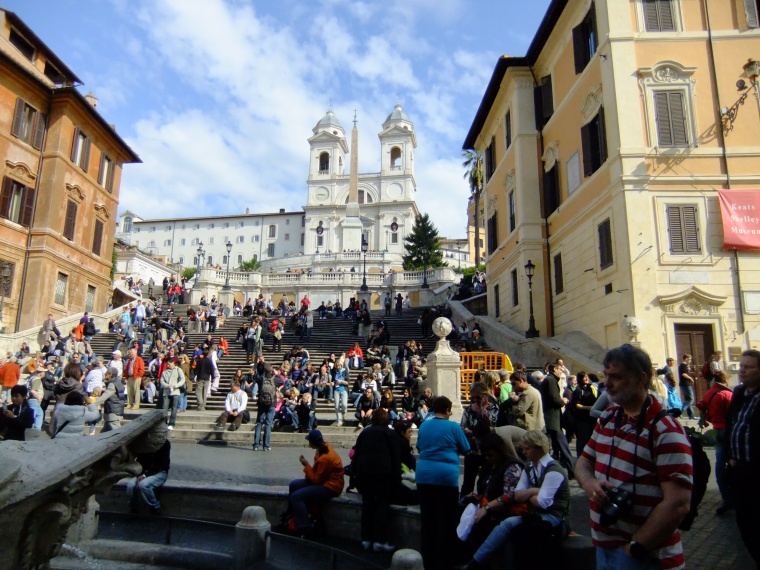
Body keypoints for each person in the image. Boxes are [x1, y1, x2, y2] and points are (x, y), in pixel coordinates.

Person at [575, 344, 693, 570]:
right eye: (606, 375)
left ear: (641, 379)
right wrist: (590, 483)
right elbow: (584, 461)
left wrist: (637, 546)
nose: (606, 383)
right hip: (604, 546)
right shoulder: (609, 417)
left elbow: (678, 504)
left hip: (644, 554)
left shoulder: (665, 430)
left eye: (616, 377)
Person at [463, 430, 570, 569]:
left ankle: (476, 563)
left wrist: (528, 492)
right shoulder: (529, 467)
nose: (524, 452)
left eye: (527, 448)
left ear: (539, 448)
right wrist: (535, 491)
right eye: (523, 448)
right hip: (535, 516)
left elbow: (542, 503)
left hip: (555, 518)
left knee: (514, 528)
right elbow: (517, 495)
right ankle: (476, 562)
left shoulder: (554, 470)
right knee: (507, 526)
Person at [415, 396, 470, 570]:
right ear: (448, 410)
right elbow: (465, 449)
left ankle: (428, 560)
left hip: (424, 476)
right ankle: (445, 560)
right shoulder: (453, 427)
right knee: (446, 521)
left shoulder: (425, 425)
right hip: (446, 478)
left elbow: (419, 446)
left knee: (428, 520)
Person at [725, 349, 760, 565]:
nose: (743, 371)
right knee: (744, 520)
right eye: (741, 366)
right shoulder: (739, 394)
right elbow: (732, 425)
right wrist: (730, 455)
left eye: (749, 367)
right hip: (739, 470)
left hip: (757, 470)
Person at [353, 408, 399, 552]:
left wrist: (354, 474)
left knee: (367, 504)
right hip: (383, 473)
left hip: (364, 472)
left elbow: (356, 453)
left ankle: (366, 538)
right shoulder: (390, 433)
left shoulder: (365, 432)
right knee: (382, 505)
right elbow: (395, 456)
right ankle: (380, 540)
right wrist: (396, 476)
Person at [288, 430, 345, 538]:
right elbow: (317, 473)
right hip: (323, 480)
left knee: (296, 497)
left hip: (331, 486)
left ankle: (304, 528)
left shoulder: (326, 457)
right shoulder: (322, 449)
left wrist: (306, 465)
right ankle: (293, 516)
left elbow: (316, 480)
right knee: (293, 485)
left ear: (313, 443)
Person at [460, 382, 498, 497]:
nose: (475, 400)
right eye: (473, 397)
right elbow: (462, 426)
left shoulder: (493, 408)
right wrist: (467, 431)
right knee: (468, 481)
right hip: (472, 450)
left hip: (487, 449)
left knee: (484, 480)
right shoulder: (468, 410)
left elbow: (491, 426)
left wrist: (483, 410)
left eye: (478, 397)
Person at [126, 439, 171, 515]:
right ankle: (134, 508)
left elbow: (161, 465)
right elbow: (140, 461)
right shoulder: (144, 443)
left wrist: (144, 475)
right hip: (144, 472)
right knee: (130, 485)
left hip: (159, 472)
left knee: (144, 485)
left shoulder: (164, 443)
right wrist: (140, 474)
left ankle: (155, 508)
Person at [570, 371, 599, 457]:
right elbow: (576, 405)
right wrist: (589, 407)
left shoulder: (590, 388)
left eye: (587, 377)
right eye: (584, 377)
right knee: (582, 441)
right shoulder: (579, 390)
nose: (586, 379)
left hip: (591, 419)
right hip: (582, 420)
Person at [253, 364, 278, 451]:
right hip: (271, 404)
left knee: (259, 423)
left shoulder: (261, 379)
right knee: (268, 424)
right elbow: (283, 381)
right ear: (271, 371)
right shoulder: (275, 379)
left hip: (261, 403)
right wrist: (276, 373)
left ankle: (256, 445)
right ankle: (266, 446)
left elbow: (255, 377)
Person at [94, 367, 126, 432]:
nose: (105, 374)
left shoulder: (112, 384)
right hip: (113, 412)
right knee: (103, 433)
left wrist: (93, 404)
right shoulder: (117, 382)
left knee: (118, 434)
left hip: (113, 413)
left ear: (110, 374)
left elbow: (105, 396)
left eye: (106, 373)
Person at [160, 358, 185, 431]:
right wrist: (166, 385)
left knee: (174, 408)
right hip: (167, 391)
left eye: (169, 364)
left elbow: (182, 379)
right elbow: (161, 381)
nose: (167, 365)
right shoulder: (164, 372)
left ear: (173, 363)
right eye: (167, 364)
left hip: (175, 391)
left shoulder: (178, 370)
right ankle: (164, 422)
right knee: (165, 408)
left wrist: (176, 385)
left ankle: (172, 423)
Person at [678, 354, 696, 420]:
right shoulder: (683, 365)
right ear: (686, 359)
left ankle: (691, 415)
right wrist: (690, 378)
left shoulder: (684, 365)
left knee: (687, 400)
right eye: (690, 359)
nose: (690, 361)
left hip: (683, 384)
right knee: (691, 400)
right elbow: (683, 374)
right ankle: (680, 411)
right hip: (685, 384)